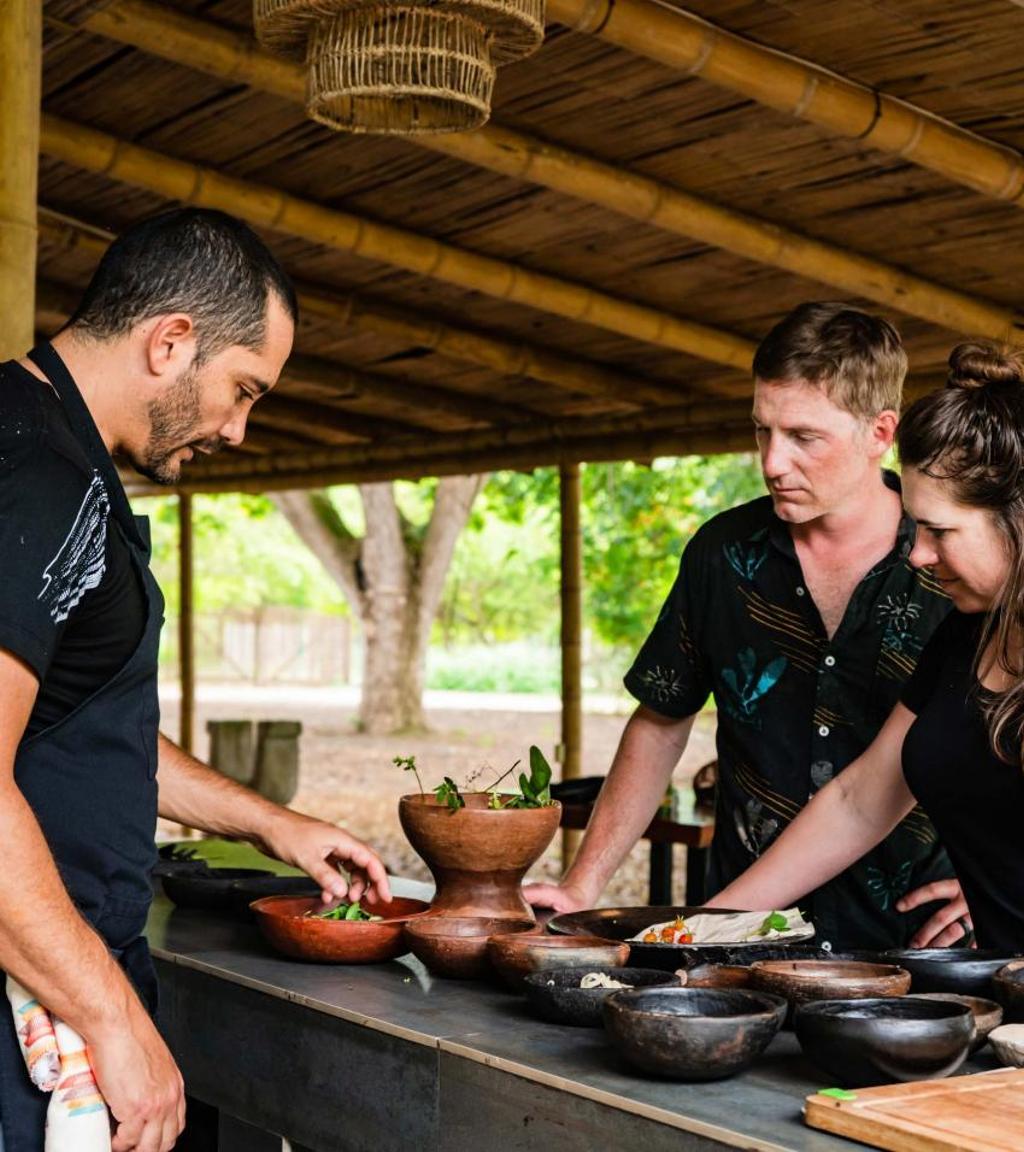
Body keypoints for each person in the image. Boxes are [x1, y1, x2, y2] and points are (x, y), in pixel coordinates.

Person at [0, 208, 390, 1152]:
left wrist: (271, 822)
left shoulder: (64, 460)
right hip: (37, 995)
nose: (240, 429)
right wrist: (114, 1020)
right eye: (242, 388)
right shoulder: (33, 476)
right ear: (170, 341)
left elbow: (82, 723)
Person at [526, 302, 963, 952]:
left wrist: (1006, 875)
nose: (772, 461)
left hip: (913, 943)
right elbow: (660, 722)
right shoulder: (722, 554)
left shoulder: (953, 565)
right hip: (735, 934)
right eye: (763, 430)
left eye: (804, 437)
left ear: (880, 432)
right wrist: (583, 886)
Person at [707, 342, 1024, 950]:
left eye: (940, 530)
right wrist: (703, 928)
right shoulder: (968, 631)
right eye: (916, 524)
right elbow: (859, 800)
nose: (919, 553)